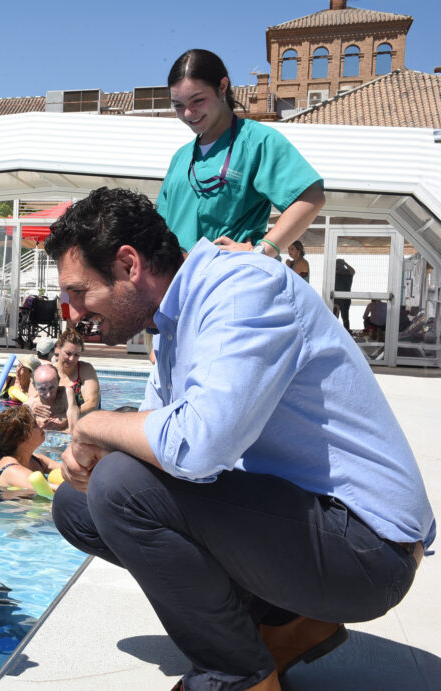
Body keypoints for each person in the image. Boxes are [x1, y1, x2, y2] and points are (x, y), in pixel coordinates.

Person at [43, 187, 433, 691]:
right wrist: (99, 448)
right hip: (307, 523)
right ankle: (282, 625)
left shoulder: (242, 290)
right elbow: (156, 435)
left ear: (128, 264)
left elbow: (196, 447)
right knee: (79, 503)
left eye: (78, 292)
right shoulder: (173, 321)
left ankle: (238, 675)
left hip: (369, 550)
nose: (71, 313)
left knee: (120, 486)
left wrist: (91, 425)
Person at [157, 49, 325, 257]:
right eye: (179, 106)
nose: (188, 114)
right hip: (178, 282)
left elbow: (311, 197)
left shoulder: (258, 142)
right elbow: (160, 226)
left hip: (230, 280)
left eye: (198, 100)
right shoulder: (181, 158)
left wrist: (262, 250)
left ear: (222, 87)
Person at [0, 406, 60, 491]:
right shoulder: (12, 471)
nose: (42, 423)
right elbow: (53, 490)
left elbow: (66, 469)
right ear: (22, 438)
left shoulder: (35, 459)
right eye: (35, 424)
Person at [52, 328, 100, 414]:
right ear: (58, 349)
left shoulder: (85, 370)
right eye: (68, 353)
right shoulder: (49, 372)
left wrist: (67, 417)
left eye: (76, 355)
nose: (72, 359)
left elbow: (92, 404)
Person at [26, 363, 80, 432]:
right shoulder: (30, 405)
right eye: (42, 389)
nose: (48, 395)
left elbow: (74, 431)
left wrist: (65, 420)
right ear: (34, 386)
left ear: (58, 381)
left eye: (52, 388)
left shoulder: (66, 394)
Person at [333, 258, 356, 330]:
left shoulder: (347, 272)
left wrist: (345, 263)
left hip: (345, 299)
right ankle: (335, 332)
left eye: (340, 263)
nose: (338, 265)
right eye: (337, 263)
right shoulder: (334, 273)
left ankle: (347, 332)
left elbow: (353, 271)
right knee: (334, 317)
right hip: (336, 298)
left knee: (345, 318)